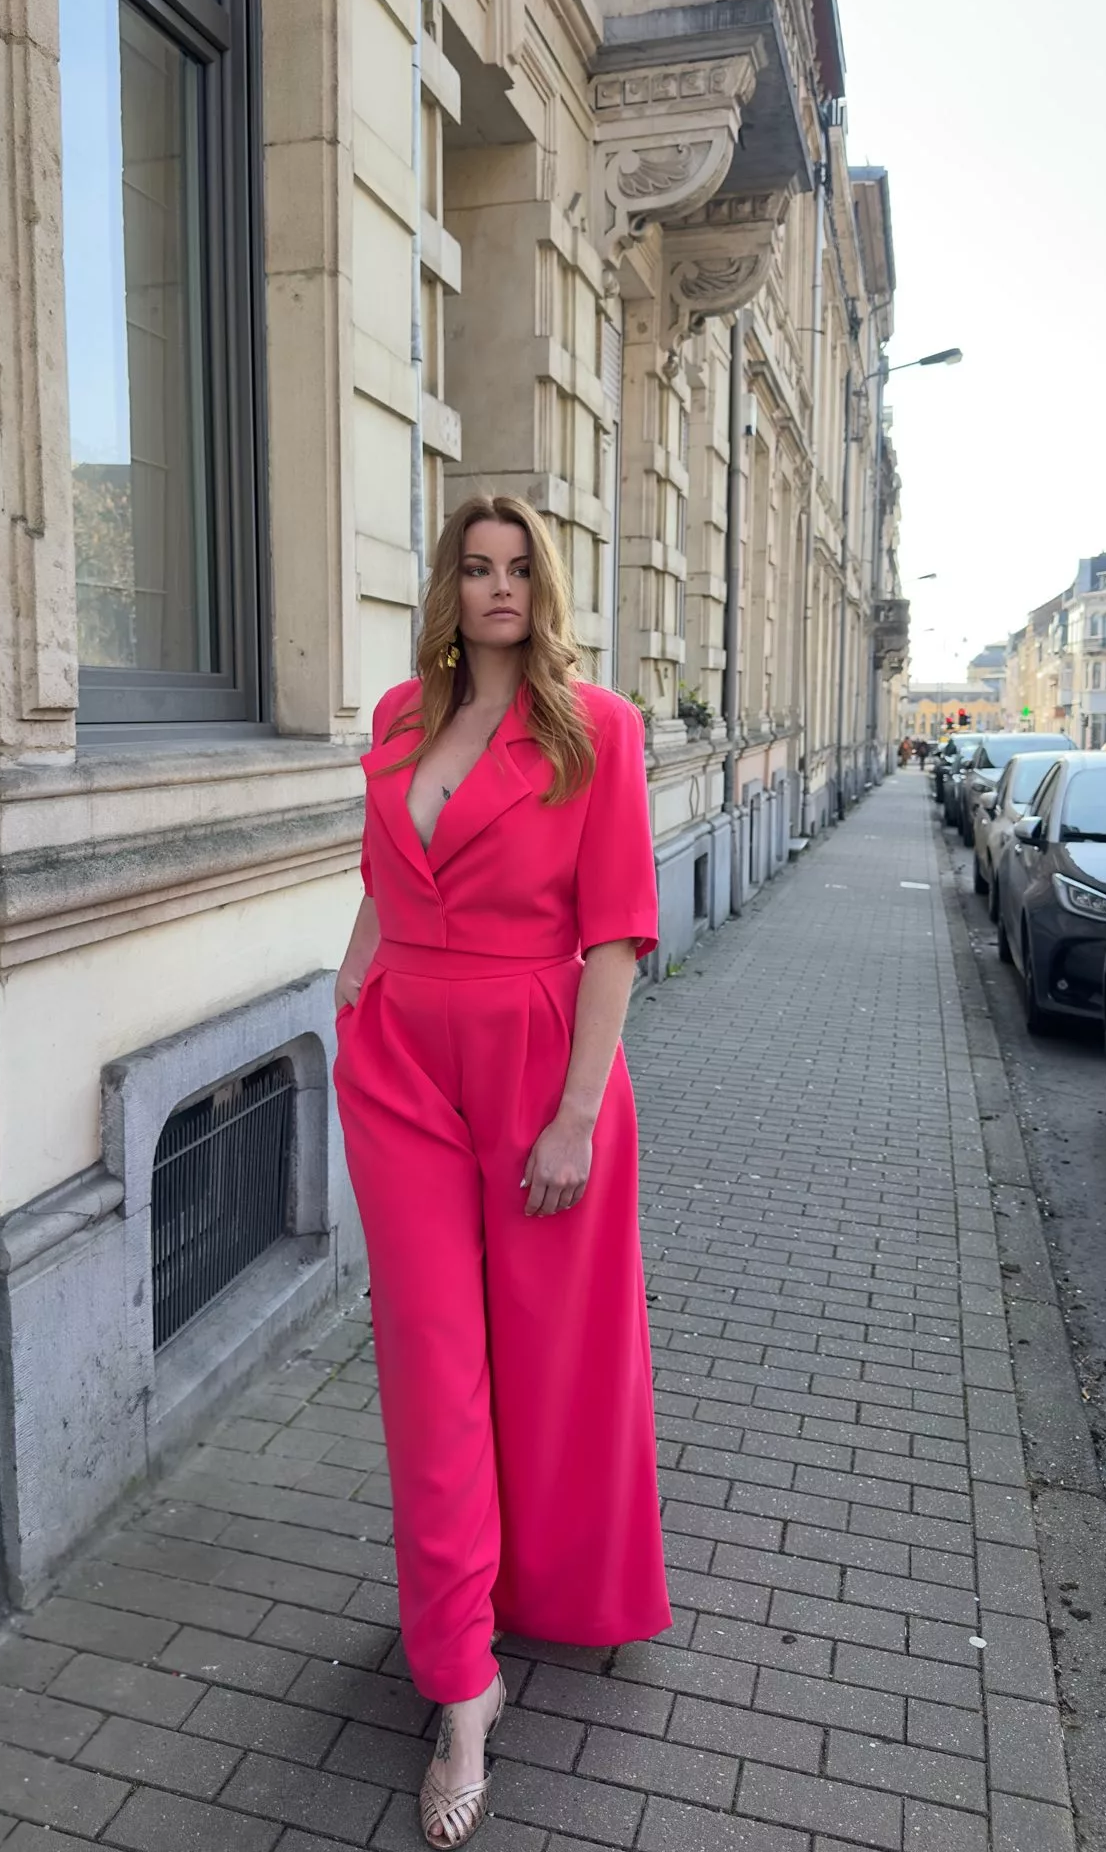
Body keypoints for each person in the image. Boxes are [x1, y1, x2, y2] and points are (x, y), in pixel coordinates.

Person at [333, 493, 671, 1846]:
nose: (497, 587)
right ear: (448, 587)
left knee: (551, 1354)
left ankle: (554, 1588)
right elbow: (387, 869)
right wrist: (353, 978)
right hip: (402, 1066)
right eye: (475, 567)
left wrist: (578, 1115)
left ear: (546, 586)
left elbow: (616, 933)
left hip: (540, 1064)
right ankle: (462, 1686)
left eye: (520, 567)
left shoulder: (598, 732)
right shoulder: (397, 720)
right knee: (431, 1363)